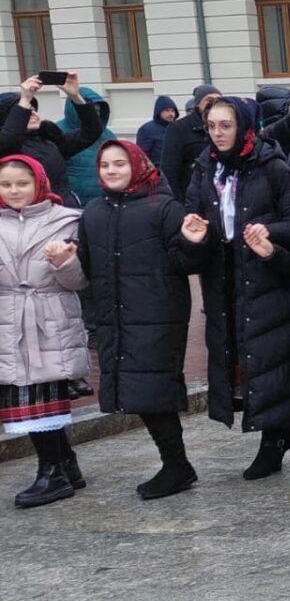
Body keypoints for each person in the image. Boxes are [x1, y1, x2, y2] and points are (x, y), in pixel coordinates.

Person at [178, 96, 290, 481]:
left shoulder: (272, 165)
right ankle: (278, 431)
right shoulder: (205, 167)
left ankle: (274, 438)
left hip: (267, 273)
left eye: (226, 125)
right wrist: (194, 235)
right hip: (224, 278)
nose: (218, 134)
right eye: (211, 126)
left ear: (244, 127)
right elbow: (194, 216)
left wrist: (269, 232)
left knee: (270, 356)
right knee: (239, 354)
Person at [77, 141, 197, 500]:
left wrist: (194, 242)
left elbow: (188, 263)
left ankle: (176, 466)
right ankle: (176, 464)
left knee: (153, 391)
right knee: (138, 391)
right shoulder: (93, 211)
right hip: (114, 317)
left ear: (137, 165)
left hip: (158, 316)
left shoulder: (163, 207)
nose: (111, 170)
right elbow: (86, 267)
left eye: (119, 163)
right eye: (105, 165)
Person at [2, 155, 90, 508]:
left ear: (39, 183)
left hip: (50, 316)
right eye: (6, 184)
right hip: (9, 318)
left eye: (22, 183)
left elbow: (80, 280)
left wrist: (64, 262)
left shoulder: (66, 220)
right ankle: (65, 464)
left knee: (44, 396)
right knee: (26, 396)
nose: (14, 191)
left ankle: (51, 472)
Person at [0, 76, 103, 206]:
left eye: (33, 109)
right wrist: (25, 98)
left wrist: (75, 97)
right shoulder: (6, 147)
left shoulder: (49, 139)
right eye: (26, 110)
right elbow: (9, 141)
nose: (33, 114)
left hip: (62, 208)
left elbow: (91, 131)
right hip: (26, 211)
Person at [160, 86, 221, 199]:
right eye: (209, 100)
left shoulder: (223, 127)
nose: (214, 103)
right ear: (198, 104)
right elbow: (169, 169)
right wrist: (178, 201)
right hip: (191, 196)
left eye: (219, 100)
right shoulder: (178, 128)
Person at [60, 88, 117, 205]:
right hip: (75, 203)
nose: (95, 114)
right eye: (91, 110)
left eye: (97, 110)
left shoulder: (107, 135)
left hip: (106, 200)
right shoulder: (57, 132)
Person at [138, 96, 177, 160]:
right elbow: (143, 155)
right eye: (167, 110)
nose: (171, 114)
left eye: (172, 111)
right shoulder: (146, 130)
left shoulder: (177, 127)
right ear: (159, 111)